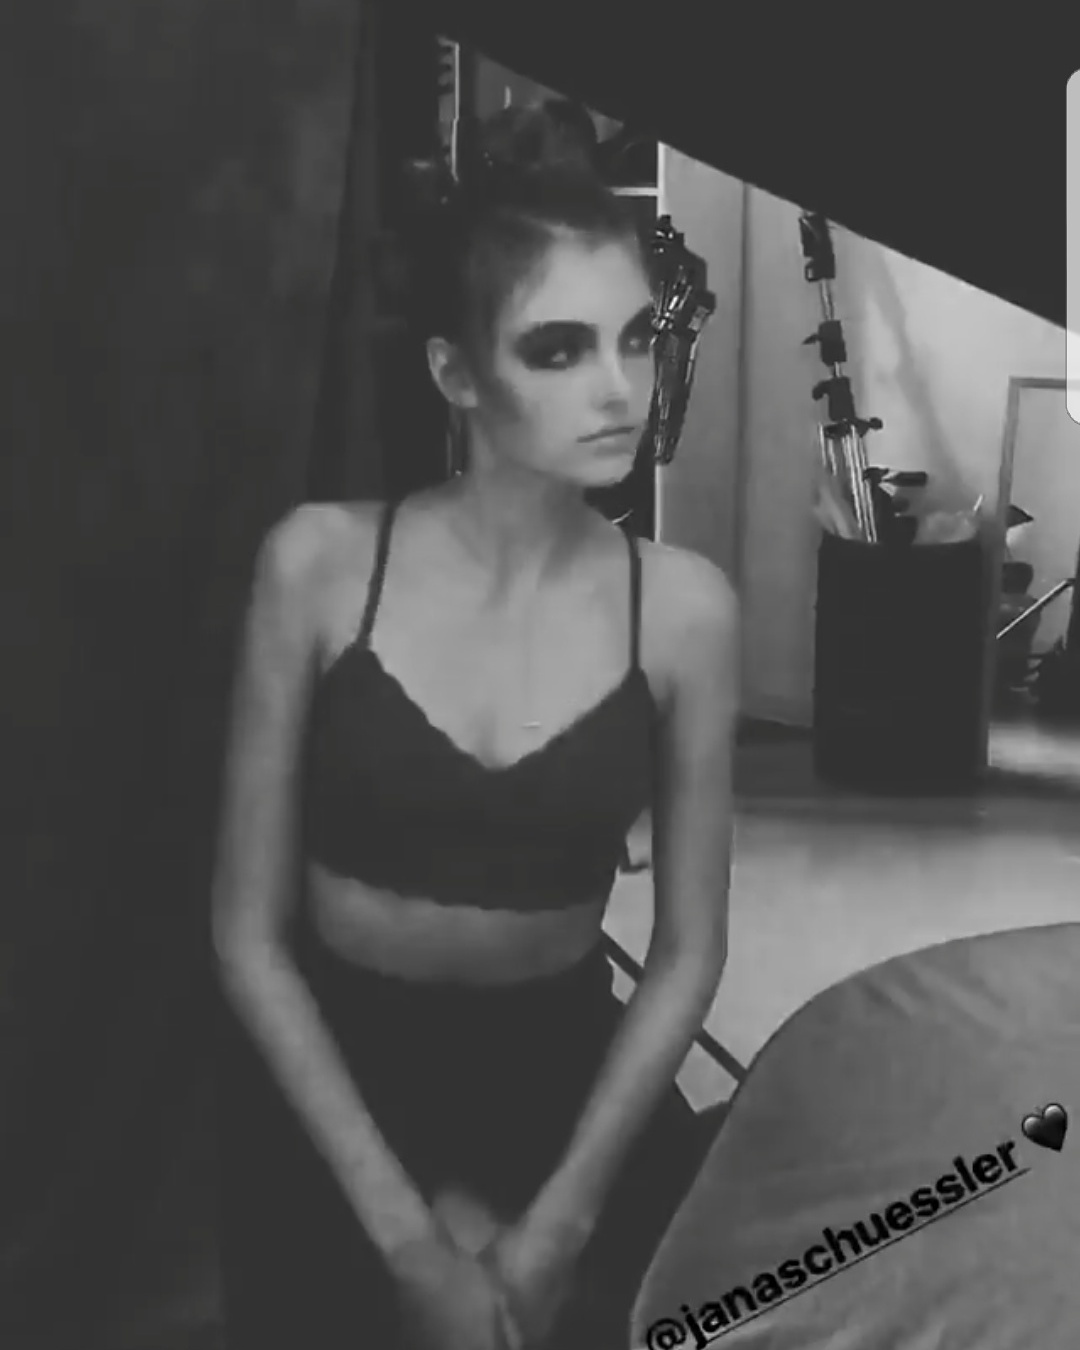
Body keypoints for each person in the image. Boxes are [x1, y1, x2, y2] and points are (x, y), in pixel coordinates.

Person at [211, 102, 738, 1350]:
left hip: (558, 1075)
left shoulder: (684, 611)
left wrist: (556, 1227)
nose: (619, 389)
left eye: (637, 338)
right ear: (457, 374)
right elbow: (246, 935)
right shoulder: (318, 567)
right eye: (558, 349)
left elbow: (687, 954)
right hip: (338, 1075)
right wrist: (408, 1240)